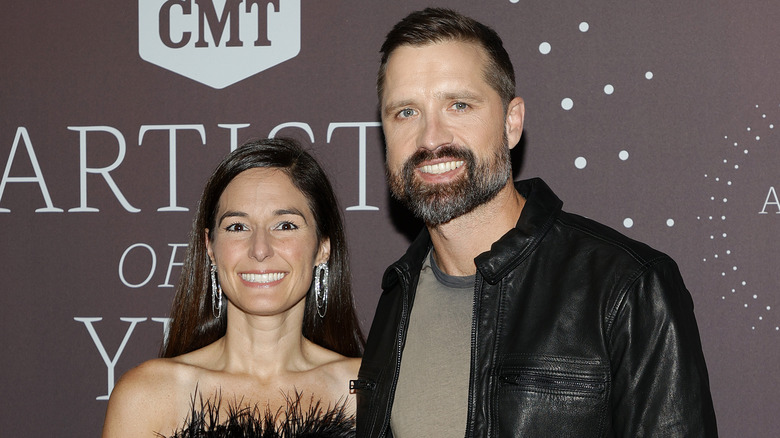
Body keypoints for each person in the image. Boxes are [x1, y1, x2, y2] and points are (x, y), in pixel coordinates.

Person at [353, 7, 718, 437]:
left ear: (511, 123)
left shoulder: (627, 288)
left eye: (459, 104)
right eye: (406, 113)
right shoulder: (398, 295)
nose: (431, 137)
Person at [102, 138, 364, 437]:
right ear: (210, 248)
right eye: (237, 227)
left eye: (285, 225)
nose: (260, 249)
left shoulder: (366, 391)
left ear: (323, 247)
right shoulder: (147, 396)